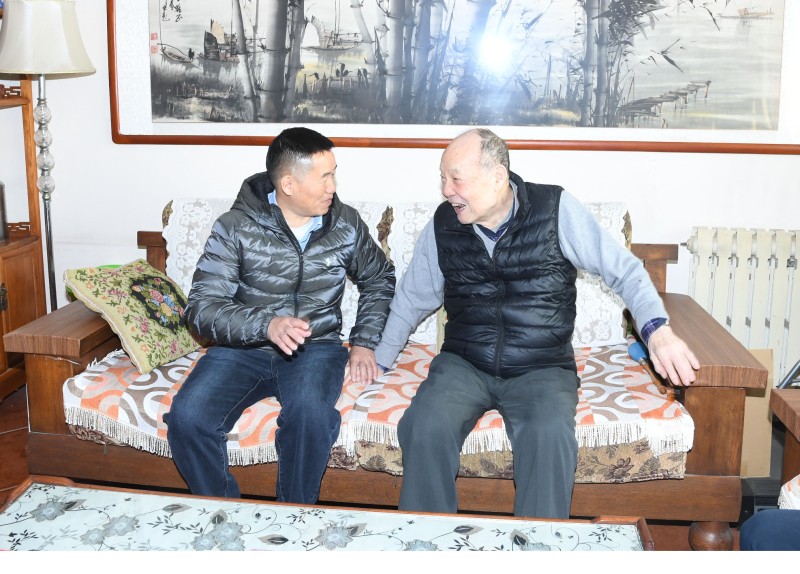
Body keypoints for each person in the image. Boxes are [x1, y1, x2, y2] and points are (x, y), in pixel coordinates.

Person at [374, 128, 699, 519]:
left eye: (456, 179)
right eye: (442, 178)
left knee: (549, 438)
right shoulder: (444, 224)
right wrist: (379, 359)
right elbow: (413, 297)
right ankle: (426, 542)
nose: (446, 191)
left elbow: (625, 272)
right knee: (423, 427)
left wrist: (657, 331)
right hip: (465, 362)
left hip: (541, 365)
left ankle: (540, 546)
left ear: (497, 176)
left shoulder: (554, 210)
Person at [166, 127, 395, 504]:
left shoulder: (345, 224)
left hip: (314, 347)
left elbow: (379, 278)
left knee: (311, 418)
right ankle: (223, 512)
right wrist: (266, 325)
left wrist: (365, 343)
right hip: (242, 349)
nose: (333, 187)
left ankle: (293, 518)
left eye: (333, 174)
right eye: (324, 177)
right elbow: (202, 309)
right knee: (188, 418)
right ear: (288, 184)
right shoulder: (234, 227)